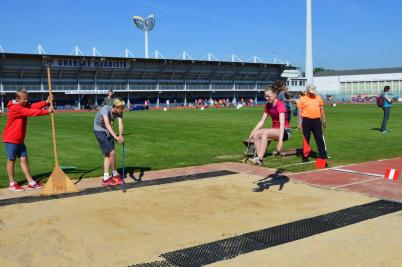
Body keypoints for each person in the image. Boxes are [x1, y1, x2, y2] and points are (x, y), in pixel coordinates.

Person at [2, 88, 54, 191]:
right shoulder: (15, 108)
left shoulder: (22, 105)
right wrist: (46, 111)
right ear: (17, 98)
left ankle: (31, 182)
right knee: (11, 160)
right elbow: (30, 112)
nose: (26, 101)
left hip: (20, 139)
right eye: (24, 99)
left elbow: (32, 106)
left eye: (27, 99)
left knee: (24, 159)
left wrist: (46, 102)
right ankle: (12, 183)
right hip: (11, 138)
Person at [247, 86, 291, 166]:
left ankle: (259, 158)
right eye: (266, 96)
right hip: (274, 130)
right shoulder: (268, 105)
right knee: (256, 134)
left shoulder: (280, 105)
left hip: (284, 132)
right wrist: (252, 132)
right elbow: (262, 121)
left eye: (269, 96)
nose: (267, 98)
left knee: (265, 132)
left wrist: (280, 142)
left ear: (275, 94)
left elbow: (282, 125)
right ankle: (259, 157)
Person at [94, 98, 125, 186]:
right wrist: (116, 137)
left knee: (108, 154)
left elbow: (120, 124)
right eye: (121, 109)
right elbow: (107, 124)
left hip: (108, 130)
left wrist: (120, 135)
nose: (122, 110)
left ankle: (106, 178)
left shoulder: (119, 112)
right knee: (112, 152)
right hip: (99, 130)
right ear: (115, 107)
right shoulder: (105, 109)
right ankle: (114, 174)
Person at [297, 84, 327, 162]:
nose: (312, 93)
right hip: (306, 121)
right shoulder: (302, 99)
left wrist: (324, 120)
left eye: (313, 91)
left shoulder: (318, 98)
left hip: (317, 121)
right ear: (307, 90)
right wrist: (299, 123)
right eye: (311, 91)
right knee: (306, 139)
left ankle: (323, 156)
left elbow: (322, 110)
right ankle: (305, 157)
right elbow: (299, 112)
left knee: (319, 139)